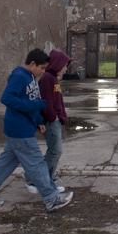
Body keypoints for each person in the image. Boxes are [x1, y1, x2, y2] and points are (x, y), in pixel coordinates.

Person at [0, 48, 73, 213]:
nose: (43, 72)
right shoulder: (20, 77)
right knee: (36, 163)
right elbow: (7, 98)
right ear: (32, 64)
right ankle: (52, 198)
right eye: (41, 68)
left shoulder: (31, 78)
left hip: (22, 127)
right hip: (19, 128)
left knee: (5, 163)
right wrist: (36, 106)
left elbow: (31, 99)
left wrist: (39, 120)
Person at [25, 49, 70, 194]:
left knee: (54, 151)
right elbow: (46, 102)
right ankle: (34, 177)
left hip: (55, 121)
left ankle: (48, 180)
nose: (65, 69)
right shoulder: (47, 79)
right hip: (50, 122)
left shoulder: (53, 78)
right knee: (55, 151)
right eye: (64, 65)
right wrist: (53, 117)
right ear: (57, 64)